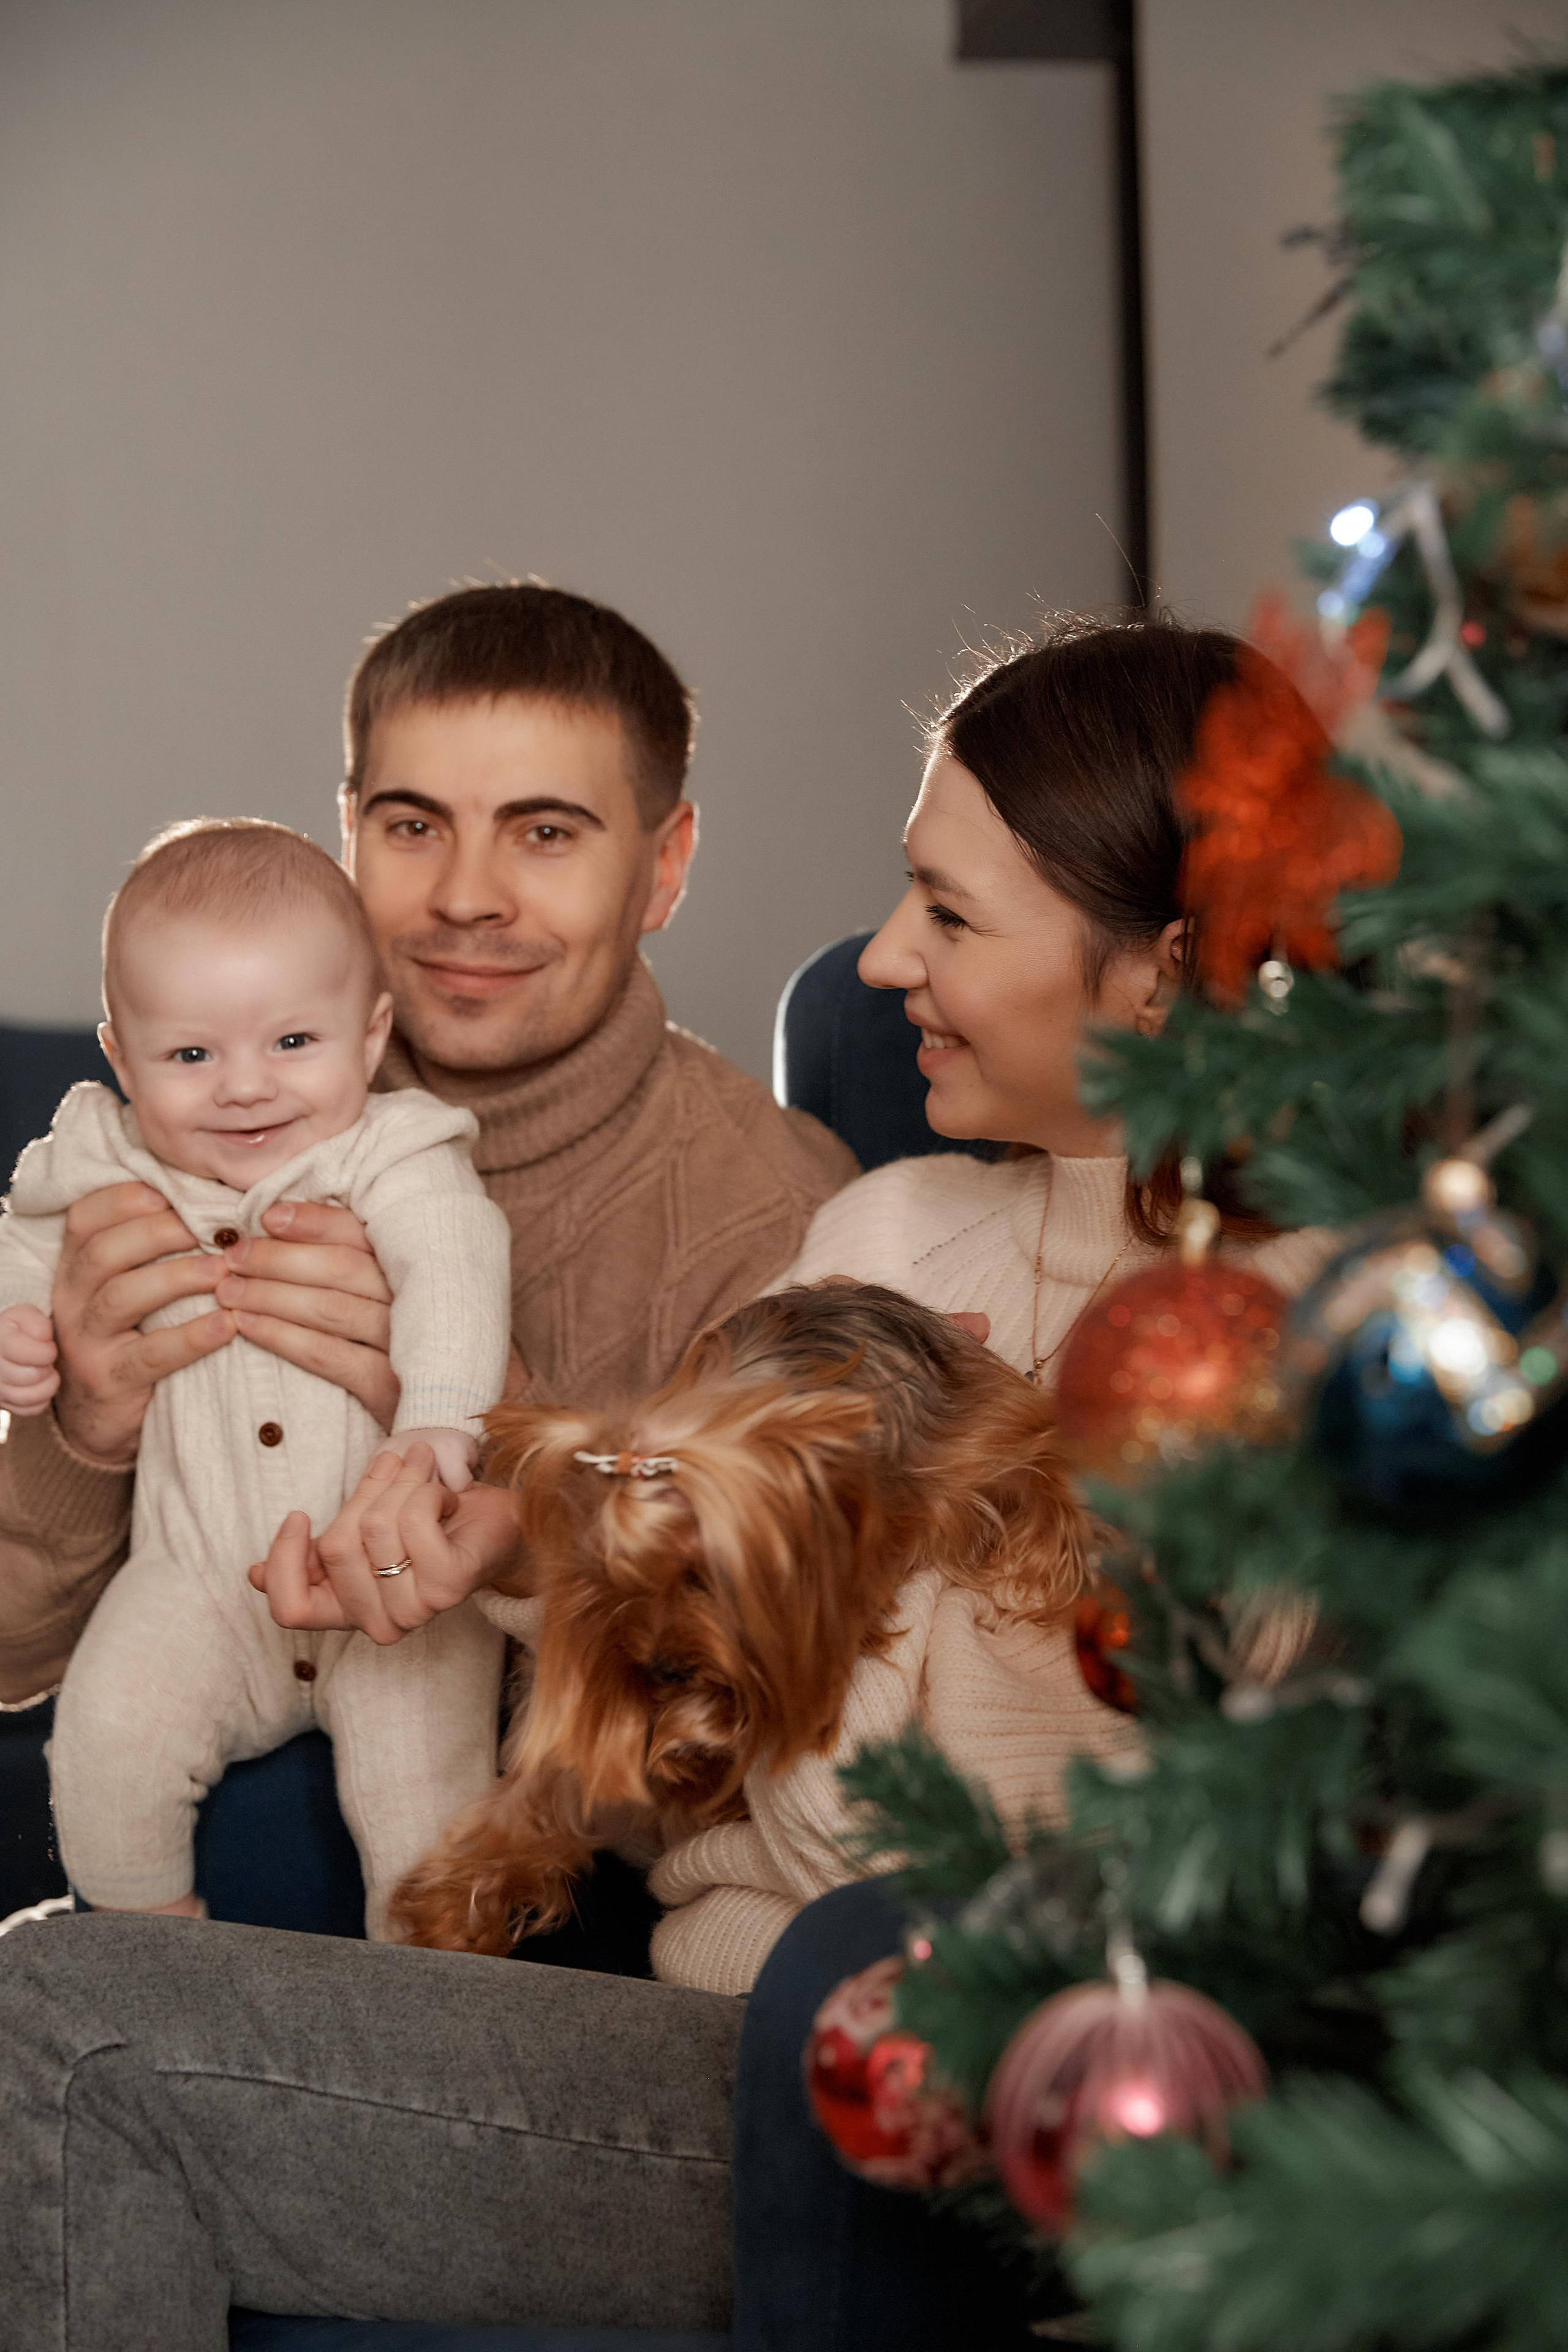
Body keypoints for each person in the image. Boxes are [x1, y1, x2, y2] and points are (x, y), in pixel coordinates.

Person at [0, 612, 1341, 2351]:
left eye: (946, 914)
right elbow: (675, 1693)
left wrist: (618, 1539)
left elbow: (1004, 1865)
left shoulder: (1308, 1352)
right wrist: (530, 1541)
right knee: (60, 1997)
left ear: (1159, 973)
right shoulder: (885, 1232)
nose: (872, 962)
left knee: (78, 2031)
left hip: (926, 2088)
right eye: (410, 824)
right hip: (701, 2010)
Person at [0, 581, 858, 1711]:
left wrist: (516, 1449)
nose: (466, 898)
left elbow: (767, 1731)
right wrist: (84, 1434)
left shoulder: (779, 1221)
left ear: (665, 863)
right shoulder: (176, 1131)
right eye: (414, 828)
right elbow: (12, 1665)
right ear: (348, 830)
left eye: (544, 833)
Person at [0, 820, 513, 1935]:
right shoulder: (106, 1155)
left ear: (371, 1033)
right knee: (105, 1737)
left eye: (291, 1042)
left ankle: (435, 2032)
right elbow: (22, 1245)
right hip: (201, 1576)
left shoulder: (397, 1154)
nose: (244, 1089)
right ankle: (157, 1980)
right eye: (190, 1057)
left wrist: (437, 1428)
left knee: (428, 1811)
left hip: (389, 1572)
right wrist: (12, 1323)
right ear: (122, 1059)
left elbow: (460, 1272)